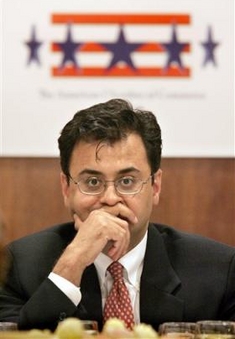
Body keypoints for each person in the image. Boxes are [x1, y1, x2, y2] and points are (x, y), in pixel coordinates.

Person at [0, 98, 235, 332]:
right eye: (92, 181)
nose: (110, 198)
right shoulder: (18, 267)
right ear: (66, 188)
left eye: (127, 181)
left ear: (155, 186)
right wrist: (73, 262)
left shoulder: (219, 272)